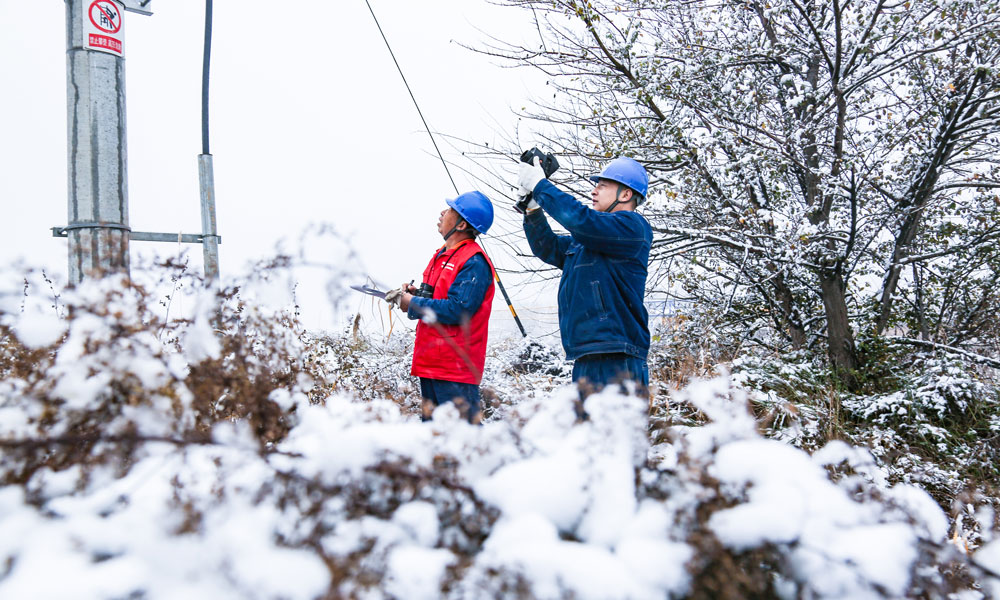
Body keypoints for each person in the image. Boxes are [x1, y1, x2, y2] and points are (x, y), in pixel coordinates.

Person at [517, 155, 652, 394]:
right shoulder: (586, 242)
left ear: (625, 194)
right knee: (588, 431)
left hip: (618, 358)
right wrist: (532, 208)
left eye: (602, 185)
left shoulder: (633, 228)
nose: (594, 191)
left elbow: (580, 220)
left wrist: (541, 185)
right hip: (588, 355)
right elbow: (547, 247)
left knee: (615, 432)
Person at [384, 191, 496, 423]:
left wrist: (412, 303)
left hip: (455, 367)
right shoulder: (441, 256)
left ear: (462, 223)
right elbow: (439, 298)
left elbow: (459, 310)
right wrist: (415, 296)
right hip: (432, 362)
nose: (443, 213)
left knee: (462, 438)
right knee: (435, 439)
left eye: (450, 210)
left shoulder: (474, 261)